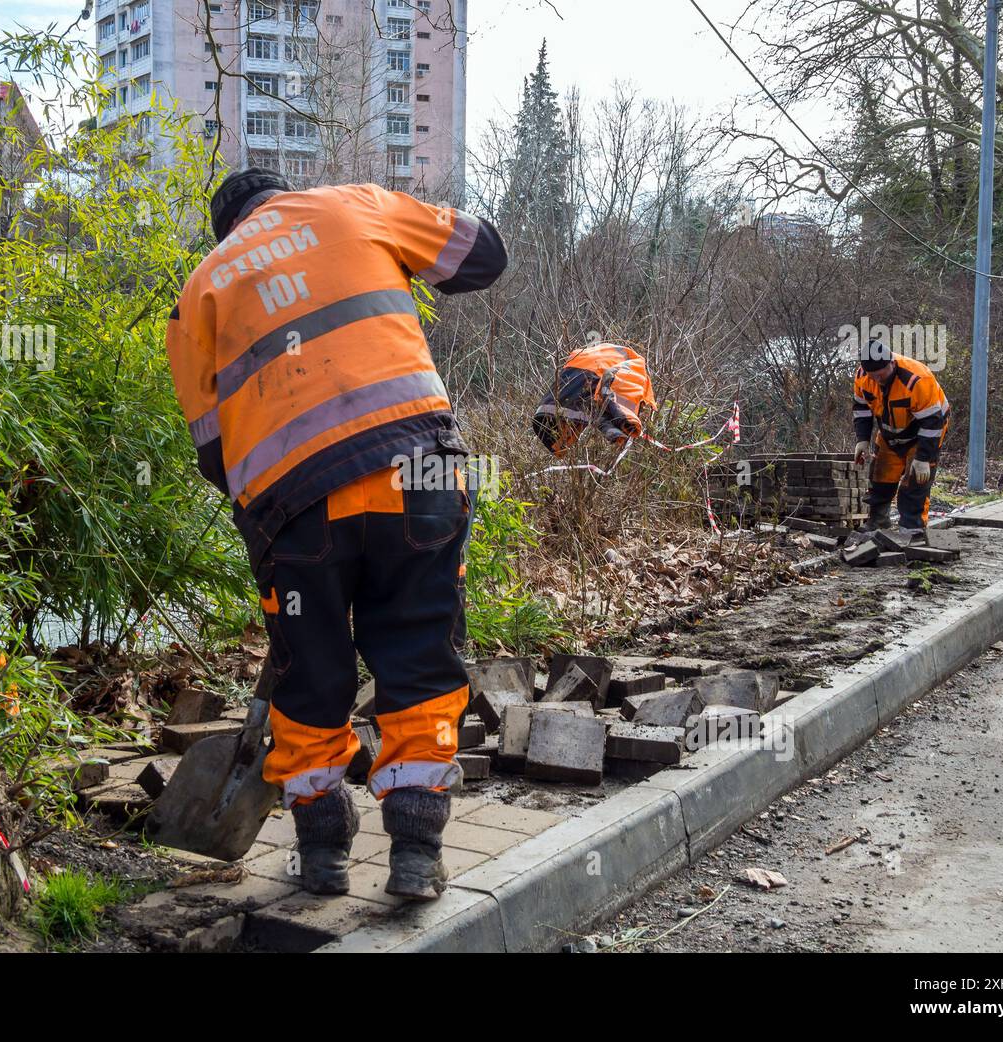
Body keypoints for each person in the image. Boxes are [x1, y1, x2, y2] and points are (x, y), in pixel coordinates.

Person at [165, 169, 507, 900]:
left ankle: (321, 853)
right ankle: (416, 849)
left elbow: (212, 454)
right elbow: (484, 255)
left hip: (293, 507)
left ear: (227, 229)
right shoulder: (355, 206)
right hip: (416, 472)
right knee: (418, 646)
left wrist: (277, 528)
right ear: (284, 196)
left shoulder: (200, 290)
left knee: (311, 671)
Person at [852, 340, 950, 535]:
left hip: (924, 432)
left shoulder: (917, 380)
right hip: (890, 432)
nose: (878, 379)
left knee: (915, 482)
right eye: (874, 376)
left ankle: (912, 527)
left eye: (881, 374)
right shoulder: (863, 377)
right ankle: (878, 521)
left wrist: (923, 458)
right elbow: (862, 410)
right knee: (880, 476)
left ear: (892, 363)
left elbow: (932, 423)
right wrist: (862, 439)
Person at [532, 341, 657, 456]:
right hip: (590, 378)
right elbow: (616, 389)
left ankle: (609, 429)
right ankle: (611, 429)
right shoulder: (636, 365)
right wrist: (628, 422)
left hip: (554, 399)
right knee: (600, 404)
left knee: (590, 408)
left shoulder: (595, 353)